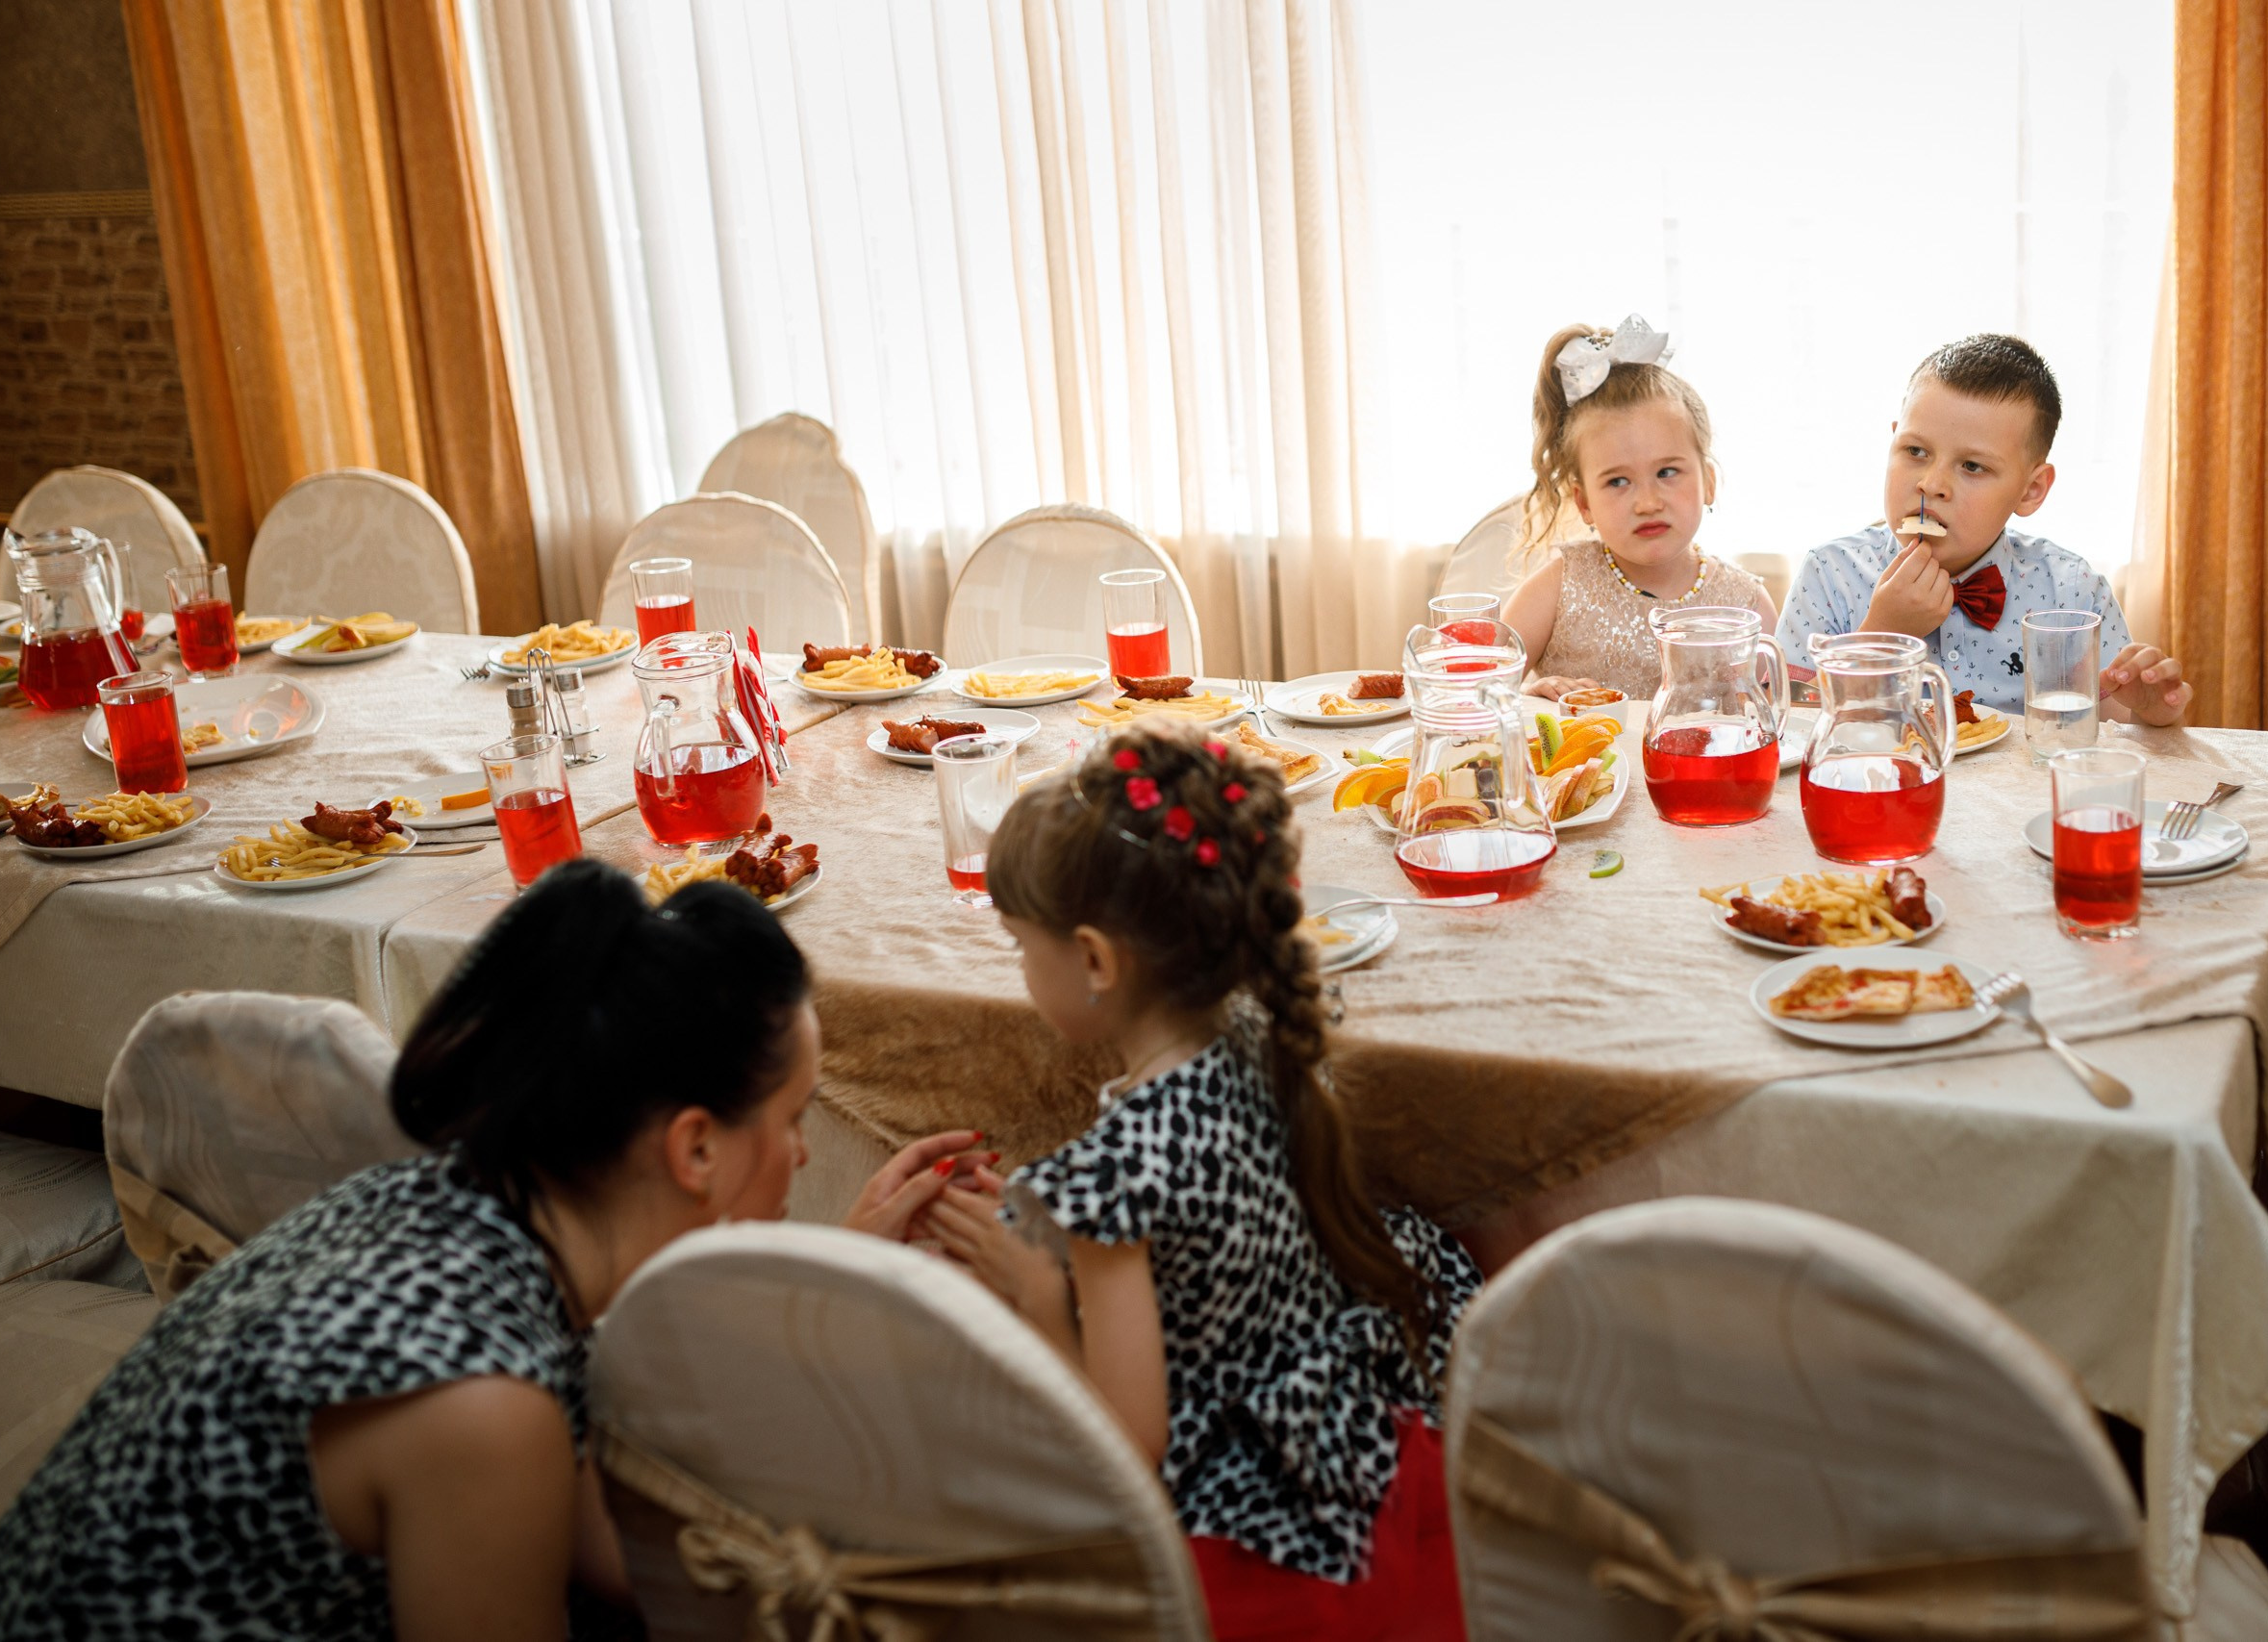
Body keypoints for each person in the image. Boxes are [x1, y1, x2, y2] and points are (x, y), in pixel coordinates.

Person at [0, 860, 989, 1642]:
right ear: (694, 1145)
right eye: (797, 1117)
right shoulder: (480, 1405)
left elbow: (616, 1548)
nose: (805, 1153)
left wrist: (854, 1284)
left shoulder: (458, 1204)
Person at [922, 723, 1482, 1642]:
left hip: (1252, 1522)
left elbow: (1130, 1445)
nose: (1021, 970)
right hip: (1346, 1428)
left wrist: (1035, 1296)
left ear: (1097, 960)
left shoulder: (1114, 1178)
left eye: (1024, 947)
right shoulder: (1266, 1034)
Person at [1776, 332, 2192, 721]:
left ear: (2030, 490)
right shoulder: (1828, 575)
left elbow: (2108, 732)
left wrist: (2150, 712)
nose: (1931, 484)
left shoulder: (2073, 592)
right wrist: (1885, 636)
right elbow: (1789, 726)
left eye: (1972, 466)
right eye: (1915, 450)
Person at [1499, 315, 1777, 700]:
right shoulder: (1559, 586)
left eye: (1667, 472)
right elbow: (1482, 697)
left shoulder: (1746, 605)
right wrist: (1530, 697)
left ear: (1708, 482)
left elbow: (1773, 724)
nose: (1647, 503)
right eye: (1618, 481)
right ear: (1584, 503)